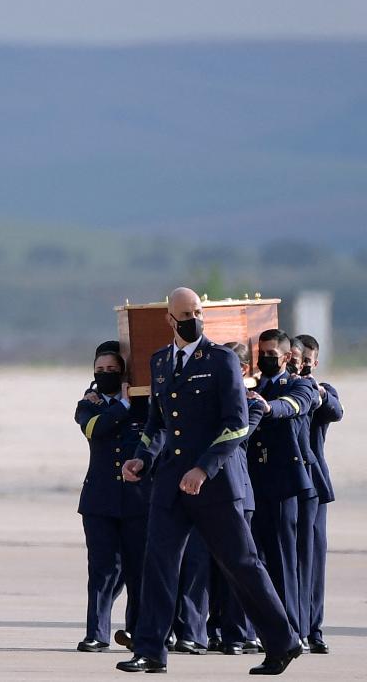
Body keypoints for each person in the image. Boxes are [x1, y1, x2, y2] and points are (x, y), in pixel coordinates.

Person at [117, 287, 301, 675]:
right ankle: (150, 650)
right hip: (170, 484)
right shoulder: (161, 362)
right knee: (159, 563)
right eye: (185, 313)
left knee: (241, 563)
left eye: (197, 311)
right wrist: (140, 457)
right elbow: (158, 424)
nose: (192, 318)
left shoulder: (220, 361)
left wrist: (204, 468)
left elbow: (236, 423)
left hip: (214, 484)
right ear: (170, 318)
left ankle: (283, 642)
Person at [246, 330, 319, 648]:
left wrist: (267, 407)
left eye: (271, 353)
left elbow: (292, 406)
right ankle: (266, 630)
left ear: (288, 357)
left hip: (283, 483)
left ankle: (293, 631)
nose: (265, 358)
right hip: (254, 481)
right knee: (256, 559)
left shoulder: (300, 385)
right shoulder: (253, 386)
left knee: (283, 559)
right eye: (261, 352)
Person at [74, 347, 149, 653]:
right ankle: (97, 632)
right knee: (102, 569)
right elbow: (95, 429)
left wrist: (132, 402)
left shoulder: (144, 405)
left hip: (137, 499)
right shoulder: (87, 405)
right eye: (99, 369)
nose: (104, 374)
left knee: (137, 569)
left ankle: (138, 631)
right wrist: (122, 405)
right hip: (100, 499)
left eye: (111, 369)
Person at [206, 341, 266, 656]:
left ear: (242, 370)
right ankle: (215, 630)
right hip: (207, 493)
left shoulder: (251, 403)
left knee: (239, 566)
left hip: (238, 493)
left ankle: (240, 633)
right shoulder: (214, 401)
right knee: (213, 569)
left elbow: (236, 433)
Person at [294, 334, 342, 654]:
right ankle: (292, 625)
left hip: (313, 483)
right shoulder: (283, 389)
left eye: (310, 361)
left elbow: (336, 411)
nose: (305, 366)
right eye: (300, 361)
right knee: (285, 558)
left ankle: (314, 627)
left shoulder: (322, 390)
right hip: (282, 481)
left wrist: (318, 392)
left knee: (314, 557)